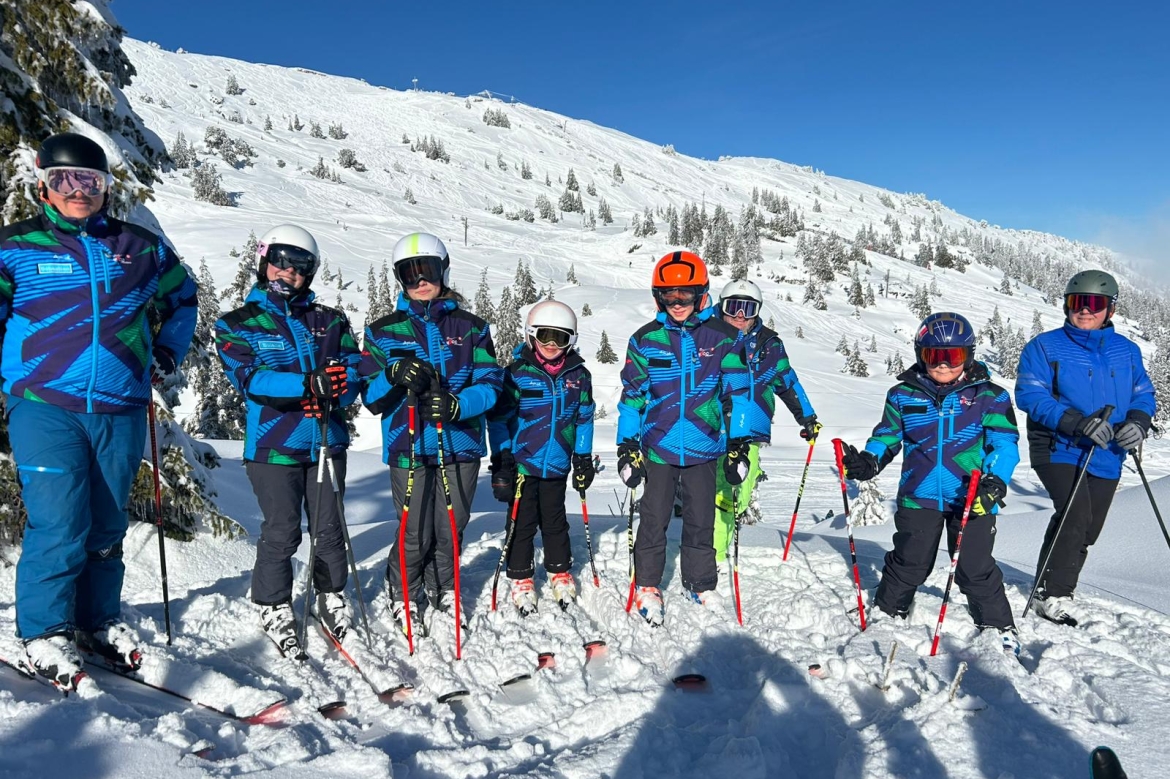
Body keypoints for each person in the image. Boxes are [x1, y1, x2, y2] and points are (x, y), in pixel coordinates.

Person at [0, 132, 197, 690]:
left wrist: (165, 352)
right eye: (64, 180)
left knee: (108, 525)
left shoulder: (141, 248)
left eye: (90, 180)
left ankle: (96, 623)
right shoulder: (14, 247)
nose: (77, 191)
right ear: (43, 184)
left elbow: (184, 299)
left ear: (106, 187)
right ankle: (44, 631)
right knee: (60, 520)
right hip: (44, 405)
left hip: (121, 408)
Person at [215, 224, 361, 656]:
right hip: (272, 444)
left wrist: (339, 389)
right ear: (264, 262)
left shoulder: (330, 320)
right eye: (280, 261)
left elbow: (353, 372)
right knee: (281, 531)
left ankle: (329, 594)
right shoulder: (238, 323)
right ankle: (273, 602)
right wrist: (307, 383)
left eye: (300, 267)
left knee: (329, 528)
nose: (288, 272)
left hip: (324, 440)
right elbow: (250, 379)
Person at [839, 312, 1022, 655]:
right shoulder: (903, 395)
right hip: (918, 493)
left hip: (973, 496)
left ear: (967, 355)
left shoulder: (990, 397)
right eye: (932, 356)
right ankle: (889, 611)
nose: (942, 365)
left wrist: (995, 481)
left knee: (974, 566)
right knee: (910, 560)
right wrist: (869, 460)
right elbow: (888, 437)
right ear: (920, 354)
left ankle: (998, 626)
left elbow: (1004, 443)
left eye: (951, 357)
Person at [361, 232, 502, 635]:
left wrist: (459, 405)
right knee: (414, 530)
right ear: (400, 278)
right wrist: (392, 374)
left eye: (429, 271)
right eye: (410, 273)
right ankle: (405, 590)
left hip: (461, 445)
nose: (421, 281)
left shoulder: (471, 328)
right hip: (409, 446)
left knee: (451, 527)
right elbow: (370, 396)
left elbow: (491, 383)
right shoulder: (383, 331)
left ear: (444, 271)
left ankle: (445, 587)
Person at [616, 250, 750, 626]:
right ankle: (647, 585)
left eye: (685, 296)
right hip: (657, 447)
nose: (677, 304)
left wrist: (738, 444)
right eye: (669, 297)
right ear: (658, 297)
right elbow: (632, 399)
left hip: (704, 446)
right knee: (653, 518)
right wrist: (627, 448)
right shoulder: (645, 340)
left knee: (700, 519)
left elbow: (737, 396)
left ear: (701, 293)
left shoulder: (723, 338)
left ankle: (700, 583)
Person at [1015, 270, 1156, 626]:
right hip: (1058, 445)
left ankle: (1056, 584)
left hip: (1107, 450)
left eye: (1094, 304)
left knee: (1087, 527)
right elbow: (1031, 395)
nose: (1085, 311)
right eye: (1078, 302)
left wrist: (1137, 423)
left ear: (1110, 309)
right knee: (1075, 516)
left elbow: (1143, 392)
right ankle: (1053, 594)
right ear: (1067, 305)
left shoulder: (1127, 350)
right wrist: (1077, 422)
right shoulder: (1045, 346)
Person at [488, 301, 595, 615]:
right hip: (523, 463)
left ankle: (559, 570)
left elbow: (584, 418)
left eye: (559, 338)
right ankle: (521, 577)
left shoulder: (579, 376)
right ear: (531, 335)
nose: (551, 344)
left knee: (555, 520)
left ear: (570, 341)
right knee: (521, 522)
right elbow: (498, 420)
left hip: (558, 462)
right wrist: (503, 458)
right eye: (545, 336)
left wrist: (583, 457)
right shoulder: (516, 374)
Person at [712, 279, 820, 562]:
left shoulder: (769, 344)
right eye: (733, 307)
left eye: (747, 309)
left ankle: (712, 552)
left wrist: (807, 417)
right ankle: (715, 558)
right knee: (724, 496)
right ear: (721, 306)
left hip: (752, 432)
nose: (739, 316)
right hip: (716, 429)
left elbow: (788, 382)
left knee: (742, 495)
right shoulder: (709, 337)